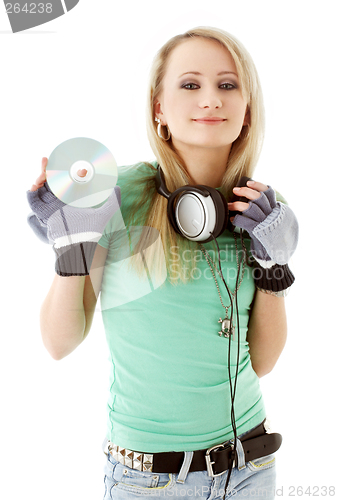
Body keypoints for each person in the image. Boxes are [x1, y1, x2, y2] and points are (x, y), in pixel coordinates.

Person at [27, 27, 299, 500]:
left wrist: (274, 271)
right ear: (159, 109)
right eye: (190, 85)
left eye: (228, 85)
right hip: (147, 482)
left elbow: (265, 361)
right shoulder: (116, 197)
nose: (210, 99)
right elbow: (58, 343)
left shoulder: (260, 212)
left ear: (247, 110)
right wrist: (70, 249)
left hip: (251, 469)